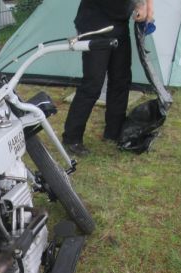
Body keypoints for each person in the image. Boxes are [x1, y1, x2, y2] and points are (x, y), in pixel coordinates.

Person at [62, 0, 154, 156]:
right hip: (94, 23)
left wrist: (147, 8)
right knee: (93, 84)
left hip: (119, 23)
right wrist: (138, 4)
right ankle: (72, 138)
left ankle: (114, 131)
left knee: (121, 79)